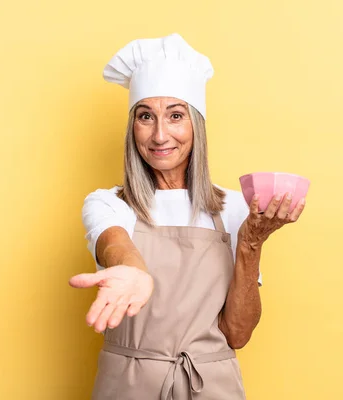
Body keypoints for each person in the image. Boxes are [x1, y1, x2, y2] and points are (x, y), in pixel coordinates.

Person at [69, 33, 306, 400]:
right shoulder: (108, 203)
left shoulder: (234, 206)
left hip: (211, 386)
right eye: (145, 116)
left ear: (197, 125)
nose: (160, 134)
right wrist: (133, 271)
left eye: (175, 116)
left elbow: (237, 335)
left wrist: (250, 242)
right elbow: (115, 242)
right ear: (133, 127)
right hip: (129, 385)